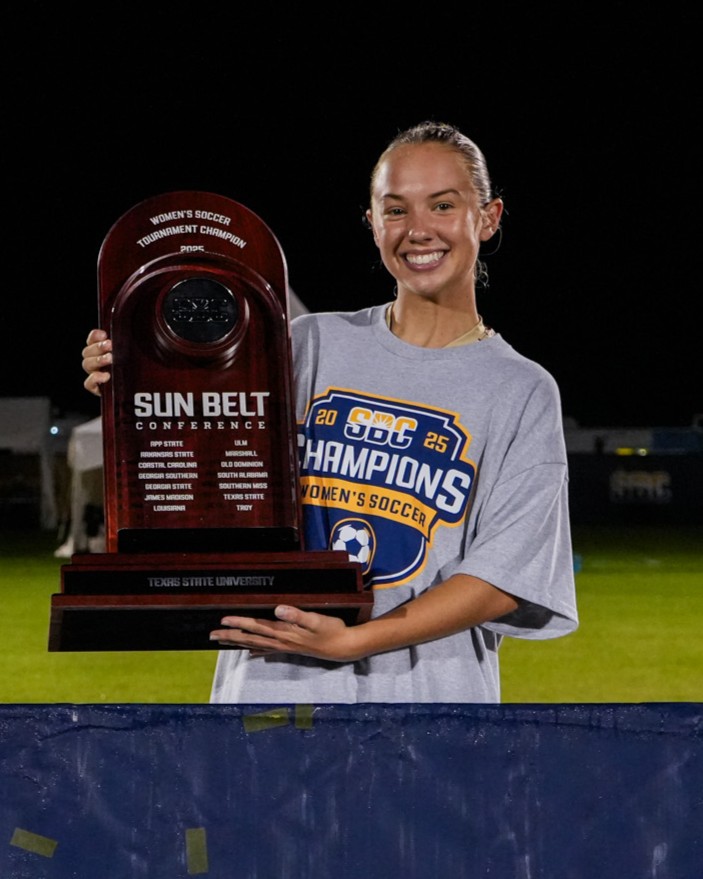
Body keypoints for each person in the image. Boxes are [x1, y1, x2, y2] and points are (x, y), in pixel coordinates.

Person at [82, 120, 578, 703]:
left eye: (443, 205)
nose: (418, 231)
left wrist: (359, 640)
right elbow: (215, 460)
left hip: (426, 704)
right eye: (395, 210)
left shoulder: (519, 388)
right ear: (372, 223)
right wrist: (139, 382)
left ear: (488, 217)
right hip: (270, 687)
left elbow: (504, 579)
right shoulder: (307, 343)